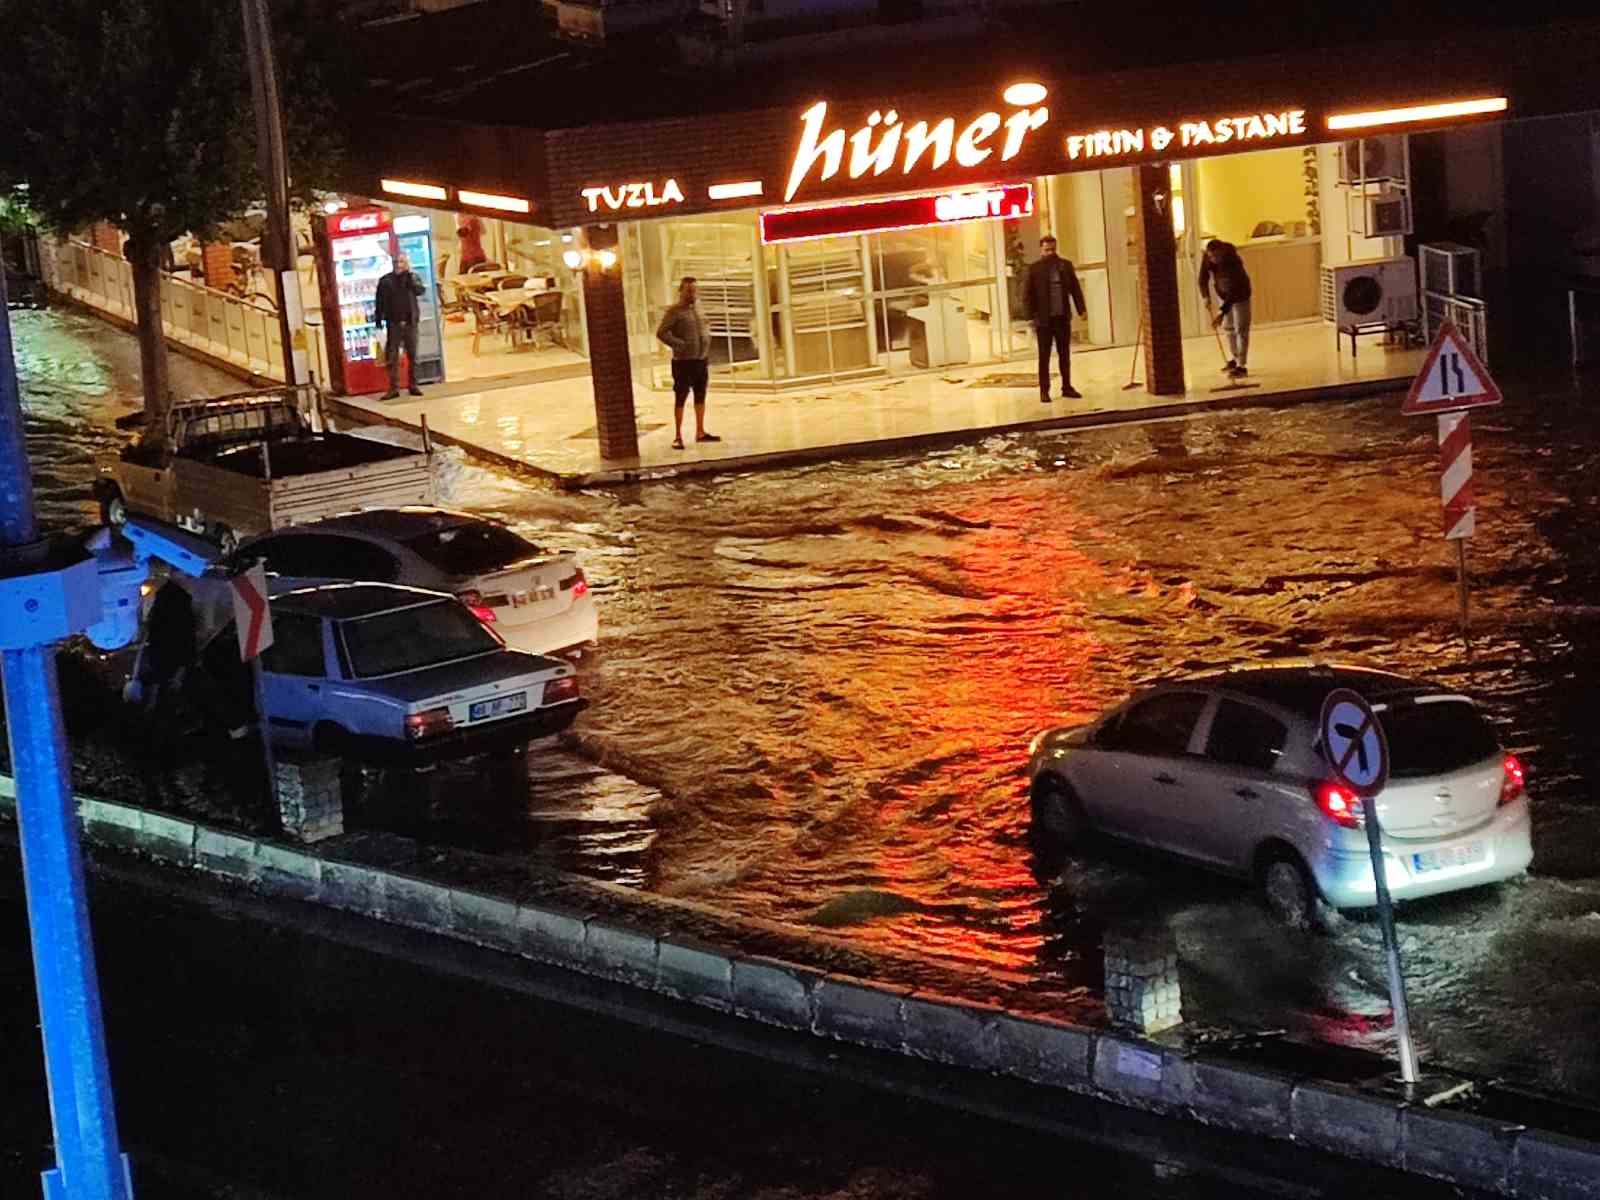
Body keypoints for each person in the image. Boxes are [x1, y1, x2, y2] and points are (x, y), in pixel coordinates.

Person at [655, 276, 720, 450]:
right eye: (689, 290)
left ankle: (700, 431)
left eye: (694, 290)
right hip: (683, 362)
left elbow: (705, 326)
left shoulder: (699, 309)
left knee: (700, 395)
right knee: (681, 397)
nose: (692, 293)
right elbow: (662, 332)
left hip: (700, 359)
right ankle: (678, 435)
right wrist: (680, 345)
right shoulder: (674, 311)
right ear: (681, 291)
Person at [1023, 235, 1087, 402]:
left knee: (1064, 355)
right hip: (1044, 321)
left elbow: (1075, 288)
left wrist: (1082, 309)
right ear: (1041, 250)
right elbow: (1027, 295)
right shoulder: (1034, 269)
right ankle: (1044, 390)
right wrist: (1029, 317)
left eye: (1052, 249)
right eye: (1047, 250)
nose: (1050, 252)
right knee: (1044, 357)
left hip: (1062, 318)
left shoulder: (1065, 266)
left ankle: (1067, 386)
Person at [1198, 239, 1253, 378]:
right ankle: (1234, 359)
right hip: (1223, 295)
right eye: (1211, 256)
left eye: (1216, 257)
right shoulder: (1208, 257)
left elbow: (1233, 292)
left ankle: (1242, 366)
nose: (1213, 260)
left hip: (1240, 295)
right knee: (1228, 328)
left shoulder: (1233, 262)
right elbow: (1202, 279)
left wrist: (1222, 312)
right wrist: (1206, 297)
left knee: (1241, 329)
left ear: (1222, 253)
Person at [374, 253, 426, 399]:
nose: (398, 265)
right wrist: (378, 322)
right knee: (392, 358)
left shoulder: (412, 278)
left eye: (402, 262)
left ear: (407, 263)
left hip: (410, 323)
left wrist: (409, 275)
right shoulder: (385, 281)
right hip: (393, 323)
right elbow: (379, 302)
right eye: (396, 262)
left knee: (413, 355)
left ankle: (413, 385)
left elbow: (420, 291)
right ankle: (393, 388)